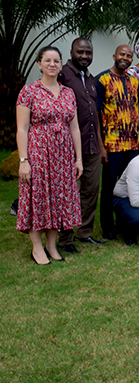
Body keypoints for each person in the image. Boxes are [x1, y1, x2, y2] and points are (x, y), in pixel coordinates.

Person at [16, 47, 83, 265]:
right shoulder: (29, 91)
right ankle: (37, 248)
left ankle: (52, 246)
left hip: (63, 156)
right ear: (39, 64)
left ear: (61, 64)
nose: (52, 64)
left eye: (56, 61)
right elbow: (22, 128)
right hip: (38, 153)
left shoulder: (68, 93)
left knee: (57, 200)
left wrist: (78, 158)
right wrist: (24, 161)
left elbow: (74, 128)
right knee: (38, 198)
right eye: (47, 60)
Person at [56, 38, 104, 253]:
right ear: (72, 52)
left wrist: (101, 146)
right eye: (80, 52)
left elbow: (97, 115)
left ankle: (84, 232)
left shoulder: (92, 79)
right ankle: (64, 239)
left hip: (92, 145)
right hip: (67, 146)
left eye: (88, 53)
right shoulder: (62, 75)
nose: (84, 56)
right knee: (67, 192)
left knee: (91, 189)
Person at [96, 44, 139, 240]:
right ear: (114, 55)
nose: (125, 58)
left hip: (132, 144)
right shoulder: (102, 79)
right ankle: (107, 227)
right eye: (122, 54)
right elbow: (98, 115)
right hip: (112, 143)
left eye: (129, 56)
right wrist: (101, 146)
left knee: (128, 187)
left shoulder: (134, 81)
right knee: (108, 189)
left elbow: (136, 112)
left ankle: (125, 221)